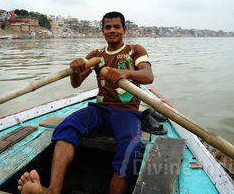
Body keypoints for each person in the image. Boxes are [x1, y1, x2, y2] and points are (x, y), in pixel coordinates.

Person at [18, 11, 154, 194]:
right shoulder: (96, 55)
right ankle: (52, 191)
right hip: (99, 110)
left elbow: (148, 76)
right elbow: (76, 83)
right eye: (108, 27)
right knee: (67, 127)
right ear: (102, 30)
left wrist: (126, 73)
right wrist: (75, 69)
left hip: (127, 112)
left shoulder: (134, 50)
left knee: (131, 149)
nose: (112, 30)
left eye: (116, 27)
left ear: (124, 29)